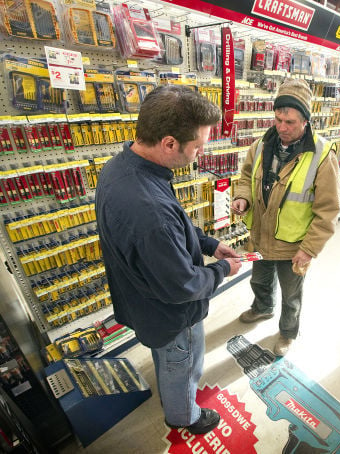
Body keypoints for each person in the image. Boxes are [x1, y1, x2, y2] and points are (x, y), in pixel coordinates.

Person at [95, 86, 242, 435]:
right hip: (171, 314)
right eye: (198, 146)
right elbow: (184, 285)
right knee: (182, 364)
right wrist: (223, 268)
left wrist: (207, 243)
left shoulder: (125, 167)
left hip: (144, 302)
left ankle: (174, 398)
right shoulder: (150, 212)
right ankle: (183, 416)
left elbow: (170, 226)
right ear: (169, 144)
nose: (201, 152)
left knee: (166, 356)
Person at [231, 78, 340, 356]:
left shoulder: (322, 156)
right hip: (260, 237)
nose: (282, 127)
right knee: (259, 281)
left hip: (294, 245)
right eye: (278, 118)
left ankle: (288, 333)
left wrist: (309, 249)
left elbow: (328, 211)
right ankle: (263, 308)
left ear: (305, 120)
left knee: (292, 296)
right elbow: (245, 177)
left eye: (290, 121)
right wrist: (242, 196)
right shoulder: (260, 145)